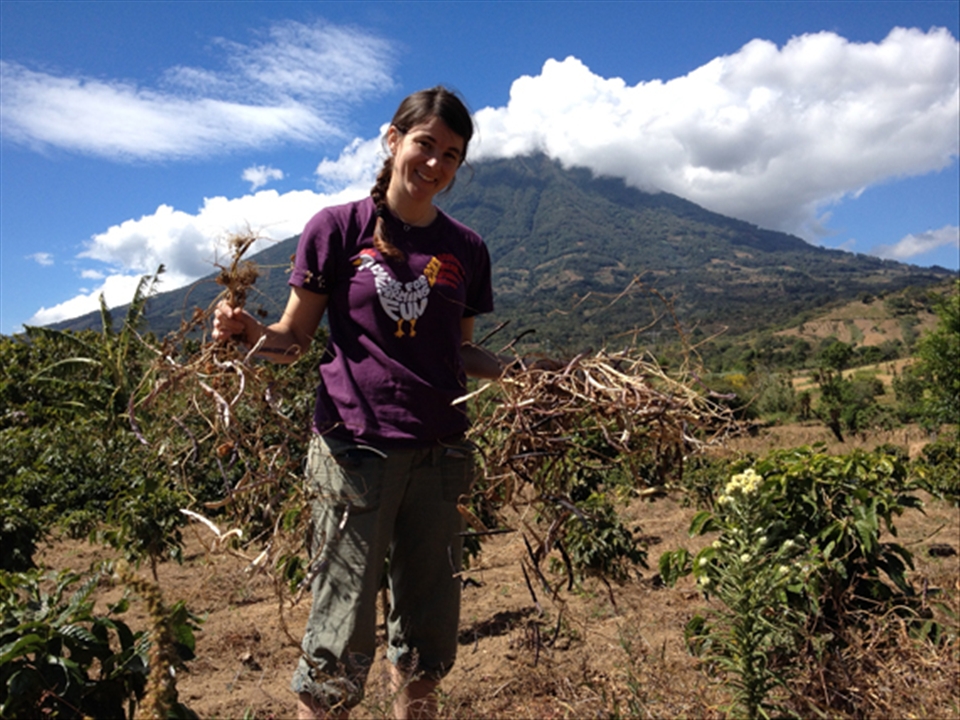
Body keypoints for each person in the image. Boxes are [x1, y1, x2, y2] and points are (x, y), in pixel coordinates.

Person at [213, 86, 505, 719]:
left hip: (442, 454)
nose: (435, 164)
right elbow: (292, 339)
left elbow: (460, 355)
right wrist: (248, 336)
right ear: (393, 139)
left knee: (429, 632)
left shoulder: (467, 249)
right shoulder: (337, 228)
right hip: (355, 453)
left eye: (452, 155)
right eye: (425, 144)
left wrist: (526, 373)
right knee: (338, 638)